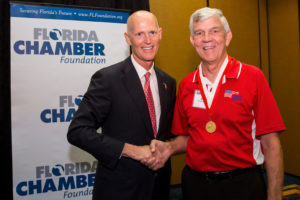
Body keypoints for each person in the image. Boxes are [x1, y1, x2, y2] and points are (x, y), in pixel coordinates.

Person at [149, 7, 286, 200]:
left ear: (228, 37)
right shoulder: (187, 85)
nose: (207, 38)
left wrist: (275, 195)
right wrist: (169, 148)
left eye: (214, 31)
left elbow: (271, 144)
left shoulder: (253, 77)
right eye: (199, 33)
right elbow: (190, 138)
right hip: (196, 185)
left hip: (242, 185)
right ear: (192, 40)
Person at [67, 10, 176, 200]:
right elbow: (77, 131)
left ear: (160, 34)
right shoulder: (107, 79)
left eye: (152, 32)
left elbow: (167, 134)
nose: (147, 40)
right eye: (139, 34)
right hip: (120, 191)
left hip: (158, 189)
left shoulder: (168, 82)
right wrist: (133, 151)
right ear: (128, 38)